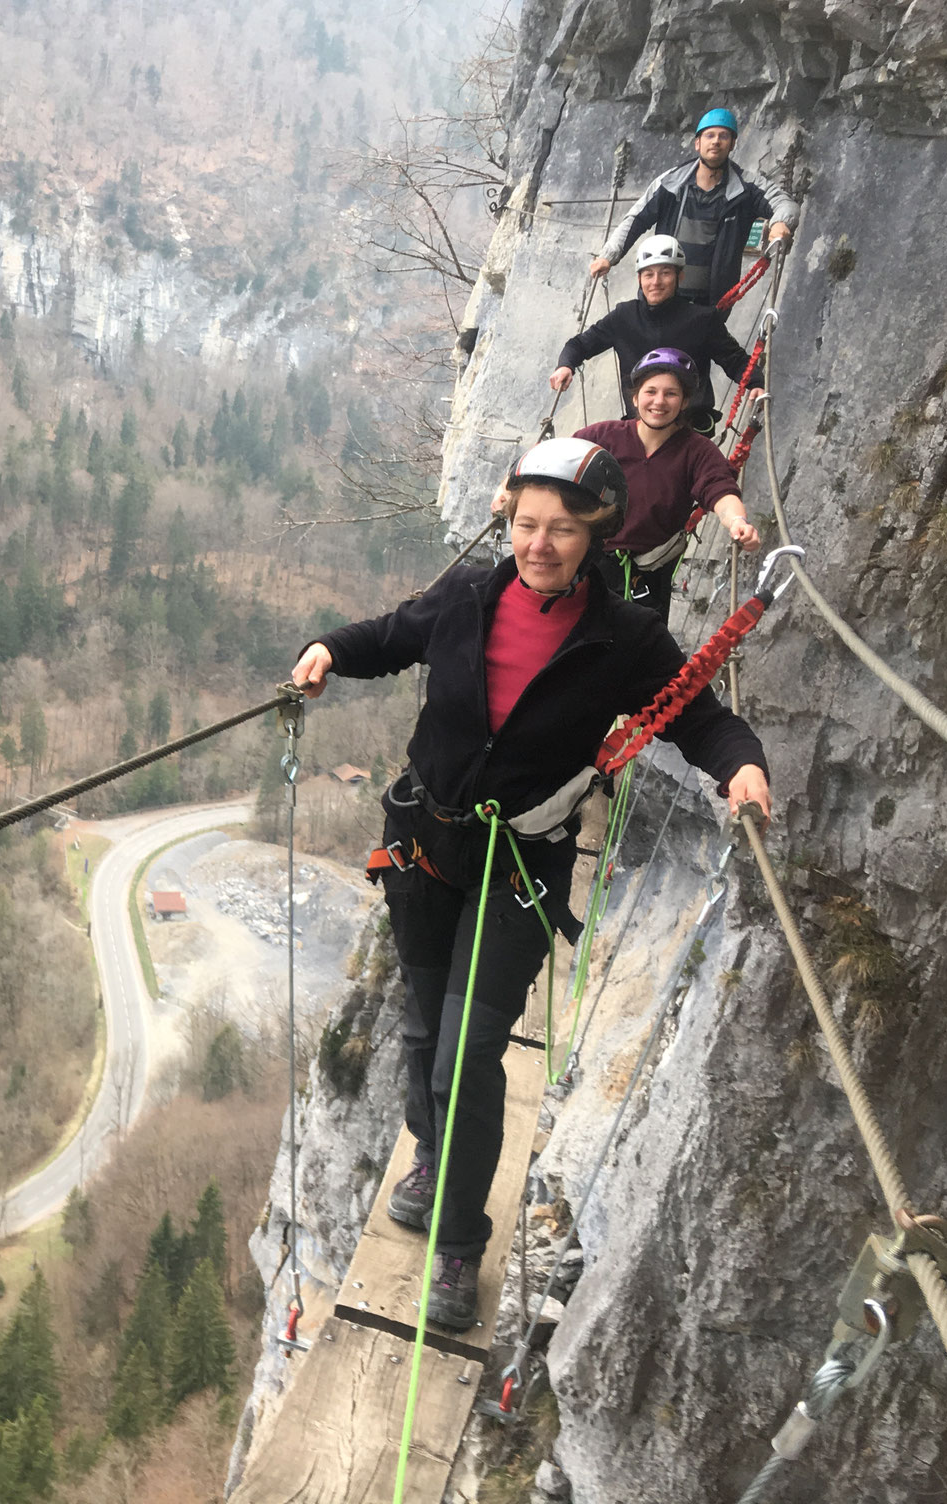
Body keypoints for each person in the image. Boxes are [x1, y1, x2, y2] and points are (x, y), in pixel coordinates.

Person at [289, 437, 770, 1330]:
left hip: (518, 863)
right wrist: (326, 650)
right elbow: (391, 637)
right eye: (524, 524)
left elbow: (697, 716)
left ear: (594, 535)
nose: (537, 543)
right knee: (422, 1026)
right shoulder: (470, 593)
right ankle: (434, 1158)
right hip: (427, 845)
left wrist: (740, 766)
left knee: (466, 1053)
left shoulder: (621, 637)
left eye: (558, 529)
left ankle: (460, 1243)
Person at [511, 347, 760, 620]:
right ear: (635, 397)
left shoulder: (697, 451)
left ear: (684, 402)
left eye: (671, 393)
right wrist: (507, 489)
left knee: (638, 646)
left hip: (649, 572)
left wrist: (737, 521)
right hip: (589, 561)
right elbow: (551, 462)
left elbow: (720, 489)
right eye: (650, 391)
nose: (659, 401)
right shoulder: (603, 436)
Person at [589, 107, 798, 307]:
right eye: (709, 135)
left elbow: (784, 203)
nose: (716, 141)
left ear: (732, 144)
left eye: (723, 136)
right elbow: (635, 219)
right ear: (697, 143)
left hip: (712, 305)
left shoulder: (747, 189)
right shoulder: (670, 183)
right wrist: (608, 256)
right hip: (662, 297)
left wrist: (781, 223)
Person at [551, 235, 759, 435]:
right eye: (648, 274)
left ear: (680, 276)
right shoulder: (624, 317)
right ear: (639, 278)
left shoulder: (702, 320)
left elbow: (735, 360)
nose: (656, 282)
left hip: (690, 429)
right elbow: (580, 344)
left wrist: (756, 383)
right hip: (641, 429)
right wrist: (566, 365)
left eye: (665, 273)